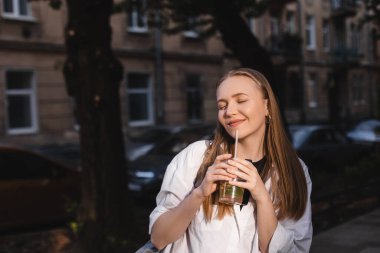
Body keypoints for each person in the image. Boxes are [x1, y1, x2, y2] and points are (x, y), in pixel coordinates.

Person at [148, 68, 312, 253]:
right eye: (222, 105)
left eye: (241, 100)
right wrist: (199, 193)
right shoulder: (196, 157)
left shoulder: (294, 170)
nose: (229, 111)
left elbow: (292, 250)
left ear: (267, 106)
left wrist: (262, 197)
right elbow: (159, 238)